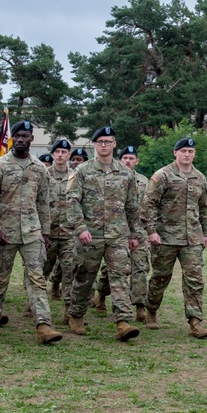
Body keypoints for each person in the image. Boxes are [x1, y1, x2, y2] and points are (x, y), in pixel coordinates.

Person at [0, 120, 63, 344]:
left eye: (25, 136)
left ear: (31, 139)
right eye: (17, 136)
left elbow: (44, 203)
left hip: (32, 233)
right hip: (4, 233)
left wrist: (45, 232)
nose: (20, 139)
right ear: (11, 138)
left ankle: (44, 326)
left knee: (37, 280)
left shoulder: (39, 169)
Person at [66, 126, 142, 341]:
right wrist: (80, 228)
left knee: (119, 277)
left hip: (118, 235)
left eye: (108, 141)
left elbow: (133, 206)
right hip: (90, 234)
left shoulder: (126, 173)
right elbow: (71, 201)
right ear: (94, 144)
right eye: (100, 142)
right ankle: (76, 315)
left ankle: (122, 321)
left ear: (114, 144)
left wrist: (135, 234)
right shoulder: (82, 170)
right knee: (84, 277)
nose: (104, 145)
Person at [141, 137, 207, 338]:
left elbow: (205, 207)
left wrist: (205, 233)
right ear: (175, 153)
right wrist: (151, 231)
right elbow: (149, 204)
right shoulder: (162, 175)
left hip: (192, 239)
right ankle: (151, 311)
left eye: (190, 151)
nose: (187, 155)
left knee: (194, 280)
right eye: (183, 151)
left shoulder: (200, 177)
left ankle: (195, 321)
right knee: (160, 277)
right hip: (165, 238)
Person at [91, 145, 151, 319]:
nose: (128, 161)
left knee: (141, 267)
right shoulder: (114, 177)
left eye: (132, 158)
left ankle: (139, 306)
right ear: (120, 160)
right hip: (116, 230)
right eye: (125, 158)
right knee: (113, 268)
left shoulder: (145, 181)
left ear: (137, 161)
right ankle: (102, 295)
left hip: (139, 231)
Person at [43, 139, 76, 311]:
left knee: (70, 271)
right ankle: (35, 303)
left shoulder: (76, 176)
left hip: (69, 233)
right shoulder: (44, 174)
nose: (61, 155)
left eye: (64, 152)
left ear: (69, 155)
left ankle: (69, 310)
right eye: (58, 152)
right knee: (42, 270)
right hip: (48, 232)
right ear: (53, 154)